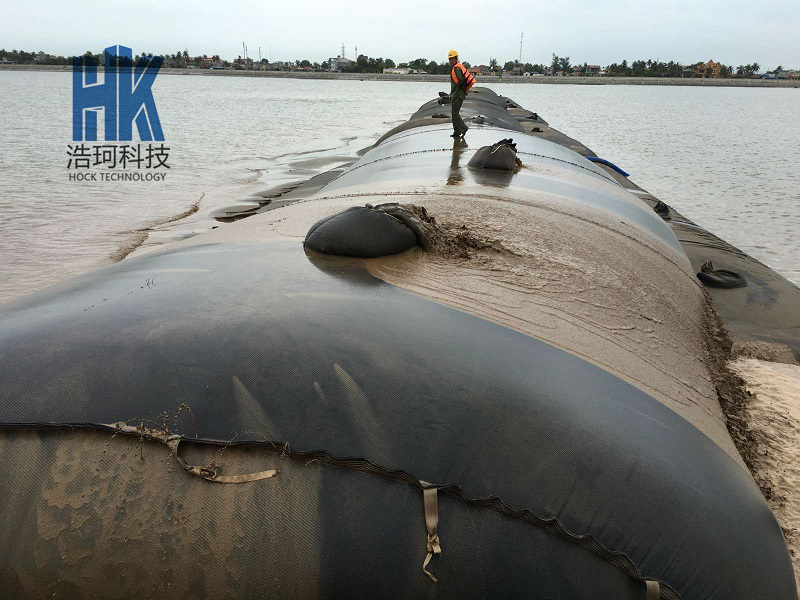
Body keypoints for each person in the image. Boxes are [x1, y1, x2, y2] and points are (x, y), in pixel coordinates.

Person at [447, 50, 475, 139]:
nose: (450, 61)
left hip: (457, 94)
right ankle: (457, 131)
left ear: (456, 58)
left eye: (452, 59)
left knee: (455, 113)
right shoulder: (456, 67)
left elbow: (460, 80)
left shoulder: (456, 68)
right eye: (449, 59)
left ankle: (463, 128)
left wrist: (454, 91)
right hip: (457, 93)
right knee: (454, 112)